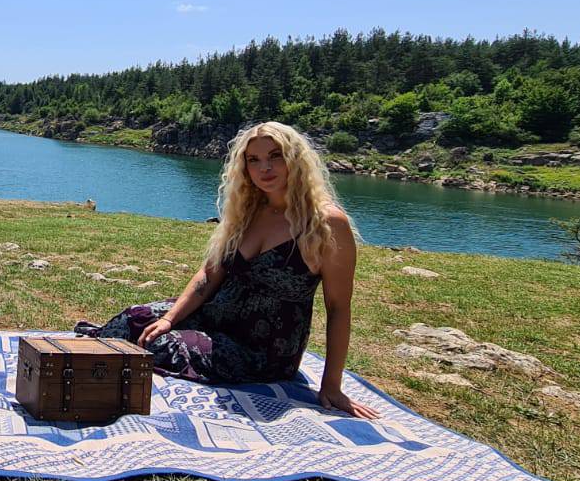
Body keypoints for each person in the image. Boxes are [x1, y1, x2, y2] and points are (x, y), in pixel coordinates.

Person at [75, 120, 379, 419]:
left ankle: (88, 382)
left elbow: (339, 308)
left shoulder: (325, 223)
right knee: (134, 319)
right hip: (213, 319)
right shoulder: (248, 209)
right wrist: (169, 318)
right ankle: (71, 367)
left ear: (296, 159)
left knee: (158, 345)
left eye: (276, 156)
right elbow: (208, 275)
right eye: (254, 160)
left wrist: (332, 385)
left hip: (261, 349)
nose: (265, 168)